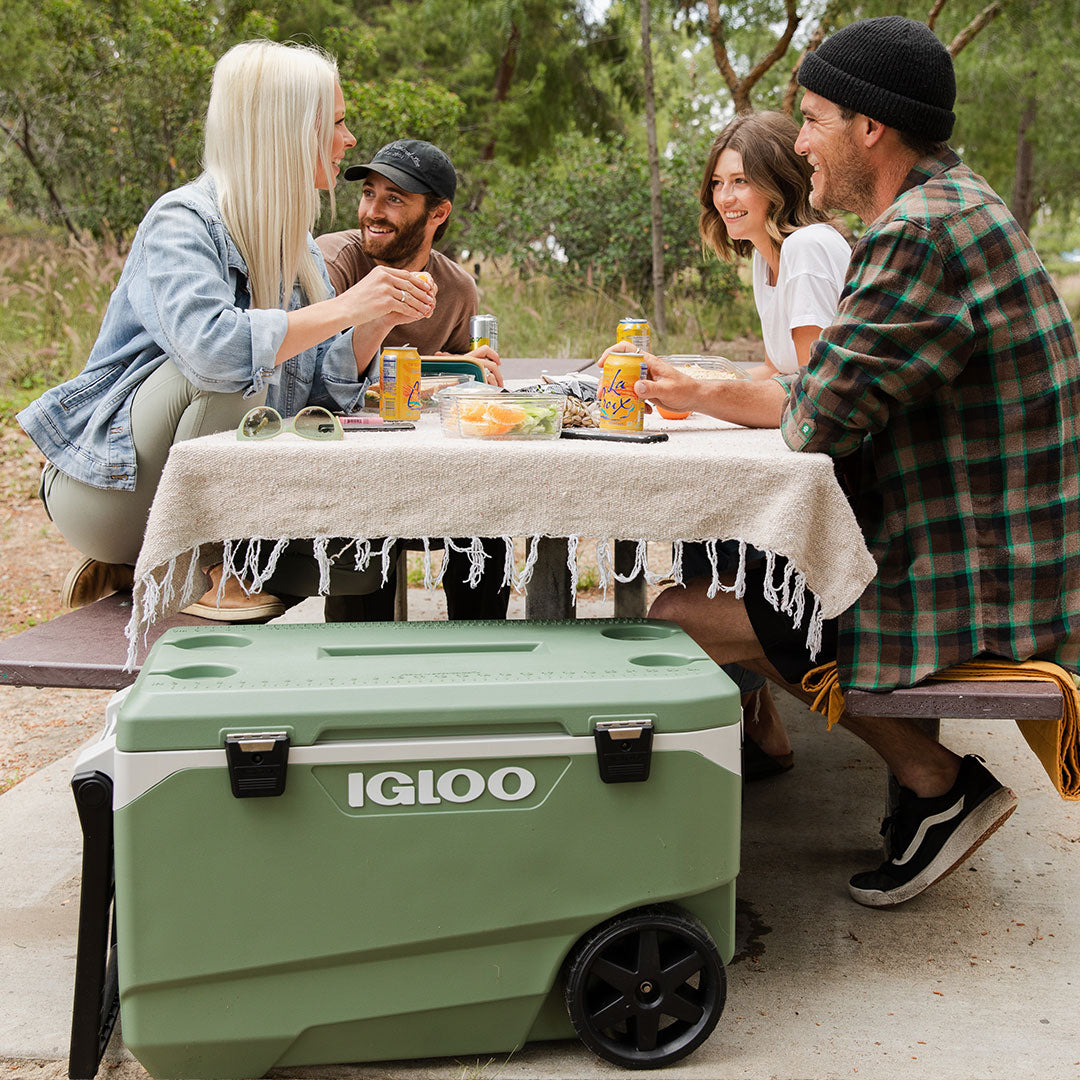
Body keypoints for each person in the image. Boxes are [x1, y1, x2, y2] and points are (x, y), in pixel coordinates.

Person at [615, 16, 1080, 906]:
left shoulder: (918, 233)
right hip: (1008, 555)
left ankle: (937, 784)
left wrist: (703, 392)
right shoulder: (958, 204)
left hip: (979, 575)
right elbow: (830, 393)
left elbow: (817, 417)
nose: (799, 142)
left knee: (682, 609)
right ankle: (918, 787)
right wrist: (716, 389)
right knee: (743, 567)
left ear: (872, 127)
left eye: (815, 117)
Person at [18, 40, 435, 621]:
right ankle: (193, 562)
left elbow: (325, 397)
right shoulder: (182, 221)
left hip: (204, 490)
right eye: (337, 123)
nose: (350, 140)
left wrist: (375, 318)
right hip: (109, 489)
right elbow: (215, 354)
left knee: (357, 565)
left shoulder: (295, 245)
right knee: (233, 368)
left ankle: (166, 559)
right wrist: (344, 309)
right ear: (289, 130)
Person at [692, 110, 852, 779]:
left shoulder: (810, 250)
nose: (725, 197)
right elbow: (778, 368)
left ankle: (748, 717)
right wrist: (704, 375)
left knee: (712, 537)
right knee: (703, 526)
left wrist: (703, 393)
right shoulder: (769, 260)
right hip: (808, 458)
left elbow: (816, 387)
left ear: (777, 184)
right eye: (718, 183)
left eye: (741, 181)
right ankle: (754, 720)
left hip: (839, 476)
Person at [316, 139, 510, 622]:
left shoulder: (458, 288)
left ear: (438, 213)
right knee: (360, 535)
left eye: (394, 199)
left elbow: (468, 392)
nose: (373, 212)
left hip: (437, 472)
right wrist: (437, 368)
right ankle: (359, 674)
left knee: (490, 528)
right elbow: (319, 381)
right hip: (351, 473)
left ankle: (480, 663)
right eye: (369, 194)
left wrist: (472, 372)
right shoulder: (332, 262)